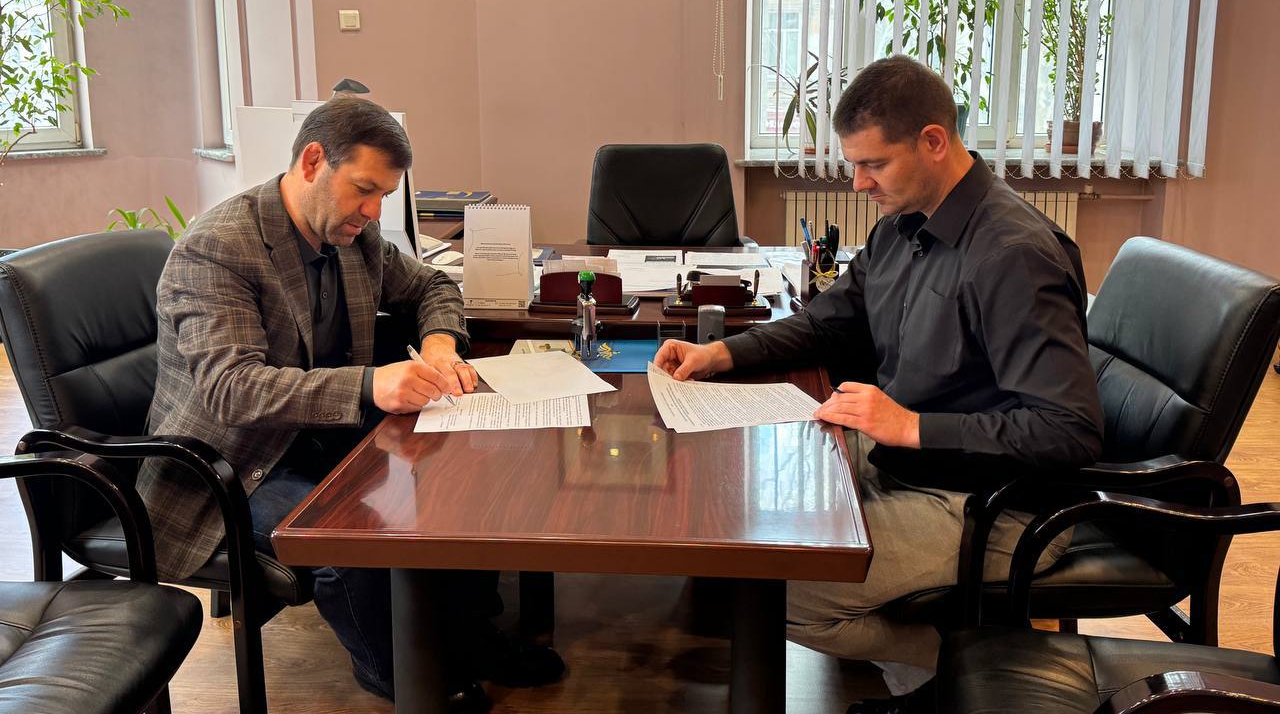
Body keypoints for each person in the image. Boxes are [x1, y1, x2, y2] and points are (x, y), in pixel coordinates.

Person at [656, 56, 1102, 713]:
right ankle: (937, 664)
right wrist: (721, 353)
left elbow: (1069, 431)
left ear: (933, 141)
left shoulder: (1013, 255)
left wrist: (911, 426)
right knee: (735, 519)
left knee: (765, 590)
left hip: (995, 502)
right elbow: (828, 322)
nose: (859, 183)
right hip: (909, 464)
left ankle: (982, 674)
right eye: (854, 165)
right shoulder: (902, 226)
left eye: (874, 164)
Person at [137, 96, 563, 709]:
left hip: (320, 435)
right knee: (356, 535)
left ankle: (469, 638)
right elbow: (232, 388)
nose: (374, 210)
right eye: (364, 190)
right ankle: (398, 674)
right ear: (312, 161)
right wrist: (370, 385)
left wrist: (440, 342)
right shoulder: (219, 248)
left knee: (460, 478)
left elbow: (433, 285)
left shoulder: (350, 236)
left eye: (384, 195)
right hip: (233, 464)